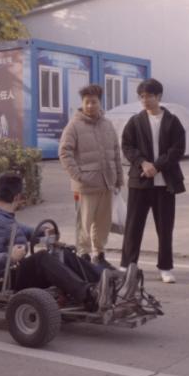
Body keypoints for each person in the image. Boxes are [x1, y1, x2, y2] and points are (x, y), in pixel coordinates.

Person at [0, 173, 119, 311]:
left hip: (13, 272)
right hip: (3, 280)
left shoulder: (4, 216)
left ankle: (104, 280)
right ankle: (88, 295)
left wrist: (43, 231)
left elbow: (23, 230)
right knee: (42, 258)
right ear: (17, 197)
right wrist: (11, 257)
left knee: (63, 253)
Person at [120, 78, 186, 283]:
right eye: (141, 96)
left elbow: (177, 149)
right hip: (139, 182)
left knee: (165, 227)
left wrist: (156, 166)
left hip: (165, 183)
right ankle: (127, 265)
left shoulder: (172, 121)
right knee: (133, 225)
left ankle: (165, 267)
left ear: (159, 96)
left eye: (149, 96)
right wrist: (142, 163)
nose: (145, 100)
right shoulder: (135, 121)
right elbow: (127, 146)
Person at [58, 84, 123, 269]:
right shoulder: (74, 125)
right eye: (86, 102)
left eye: (93, 102)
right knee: (84, 224)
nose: (90, 106)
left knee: (103, 223)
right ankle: (84, 257)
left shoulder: (107, 124)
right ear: (82, 103)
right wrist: (78, 176)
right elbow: (64, 152)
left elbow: (115, 153)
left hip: (107, 182)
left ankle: (99, 256)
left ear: (99, 102)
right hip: (85, 185)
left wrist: (118, 178)